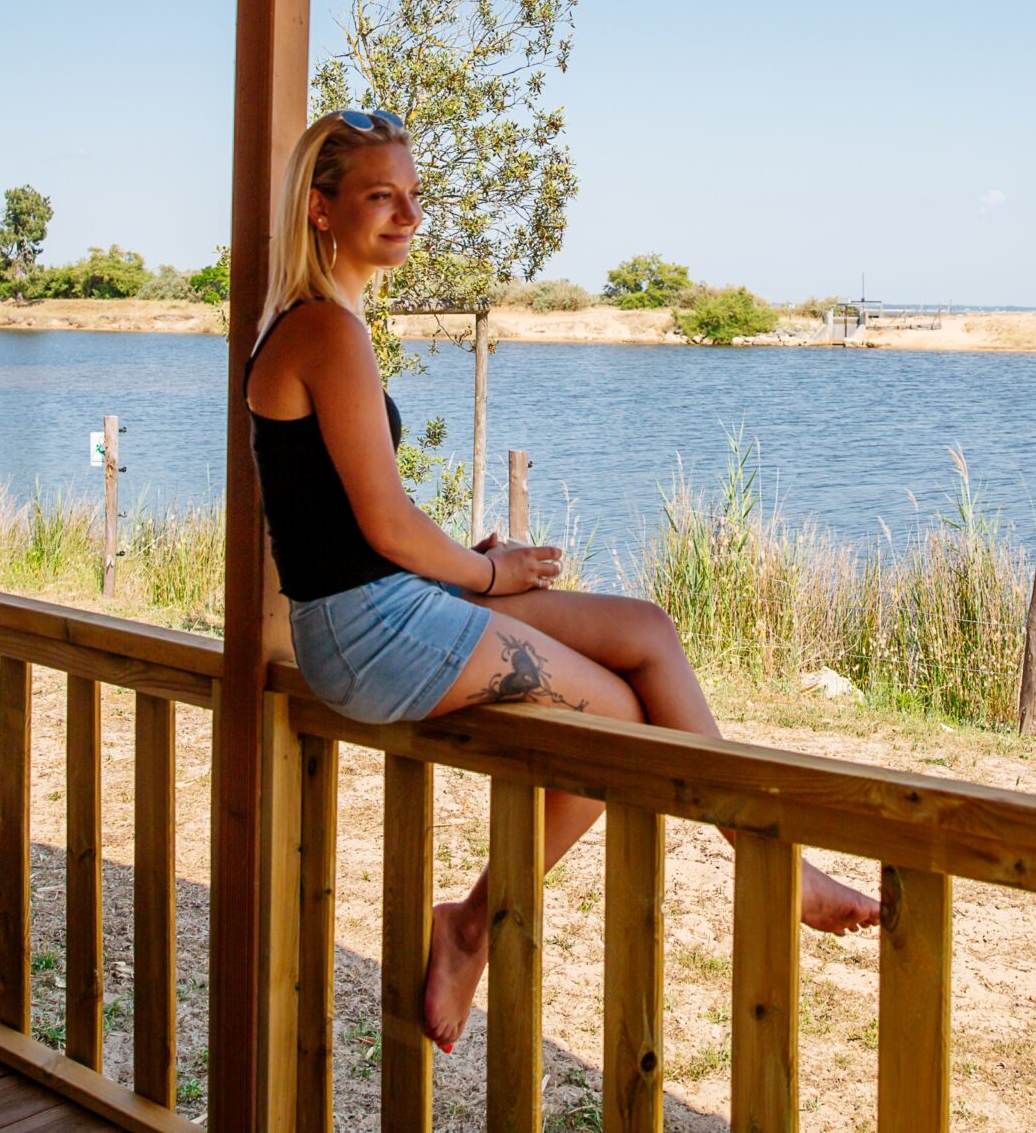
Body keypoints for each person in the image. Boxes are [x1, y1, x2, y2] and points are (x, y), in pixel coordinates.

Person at [245, 108, 880, 1051]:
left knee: (648, 631)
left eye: (414, 196)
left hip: (371, 607)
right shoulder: (328, 333)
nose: (409, 215)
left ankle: (768, 865)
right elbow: (381, 523)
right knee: (616, 723)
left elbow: (343, 524)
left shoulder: (310, 327)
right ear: (321, 208)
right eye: (383, 196)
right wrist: (489, 570)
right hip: (365, 628)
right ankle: (481, 926)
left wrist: (468, 576)